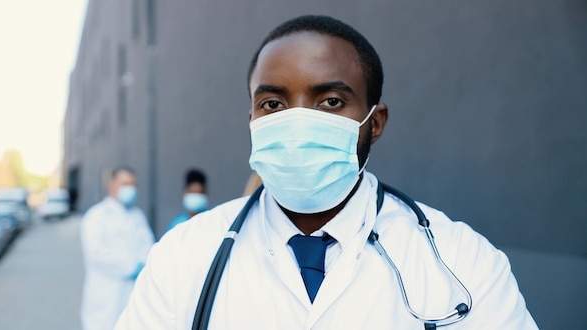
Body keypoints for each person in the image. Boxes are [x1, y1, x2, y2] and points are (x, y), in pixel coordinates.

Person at [116, 15, 537, 329]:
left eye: (331, 101)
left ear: (375, 122)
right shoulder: (182, 258)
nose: (297, 122)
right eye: (274, 104)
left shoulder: (464, 262)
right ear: (252, 120)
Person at [80, 166, 154, 330]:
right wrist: (131, 267)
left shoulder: (138, 215)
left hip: (133, 293)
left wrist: (144, 263)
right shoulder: (97, 216)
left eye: (133, 185)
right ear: (112, 184)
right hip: (106, 297)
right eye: (125, 183)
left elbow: (148, 244)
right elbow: (97, 253)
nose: (130, 189)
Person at [165, 168, 209, 232]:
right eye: (193, 192)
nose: (195, 197)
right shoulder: (177, 223)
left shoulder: (211, 219)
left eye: (199, 193)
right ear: (184, 193)